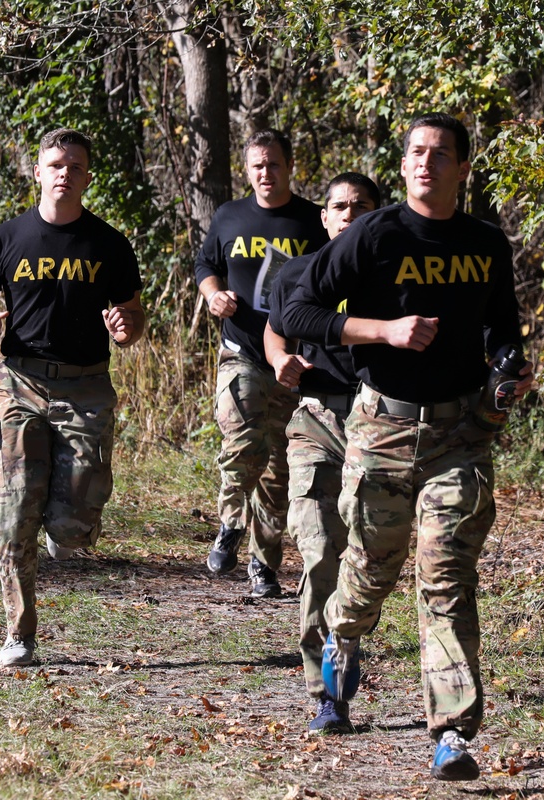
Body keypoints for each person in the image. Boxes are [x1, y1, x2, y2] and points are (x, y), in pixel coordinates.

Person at [280, 113, 534, 780]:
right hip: (383, 429)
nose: (427, 163)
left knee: (446, 575)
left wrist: (511, 364)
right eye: (416, 152)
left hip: (459, 433)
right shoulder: (375, 233)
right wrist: (382, 332)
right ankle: (343, 636)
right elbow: (295, 314)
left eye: (441, 154)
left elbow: (504, 328)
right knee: (370, 572)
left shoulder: (485, 242)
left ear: (463, 169)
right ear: (403, 166)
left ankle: (452, 732)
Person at [0, 128, 145, 670]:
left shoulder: (108, 244)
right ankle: (19, 632)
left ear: (86, 177)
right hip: (19, 384)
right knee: (15, 510)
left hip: (86, 386)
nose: (64, 173)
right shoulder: (8, 239)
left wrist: (124, 327)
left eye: (75, 166)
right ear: (38, 171)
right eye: (55, 164)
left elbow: (134, 321)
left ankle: (66, 529)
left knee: (74, 528)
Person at [264, 172, 380, 734]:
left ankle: (348, 639)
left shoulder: (394, 274)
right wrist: (278, 358)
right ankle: (326, 692)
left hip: (379, 425)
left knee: (365, 557)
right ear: (325, 217)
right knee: (317, 551)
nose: (349, 213)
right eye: (339, 206)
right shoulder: (298, 271)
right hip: (315, 418)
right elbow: (274, 329)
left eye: (361, 205)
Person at [195, 129, 329, 597]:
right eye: (256, 166)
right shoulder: (230, 216)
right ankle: (231, 523)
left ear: (289, 167)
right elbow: (204, 265)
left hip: (299, 360)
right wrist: (215, 296)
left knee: (277, 470)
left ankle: (263, 566)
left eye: (273, 164)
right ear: (246, 171)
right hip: (242, 353)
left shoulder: (314, 220)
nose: (265, 173)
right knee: (245, 438)